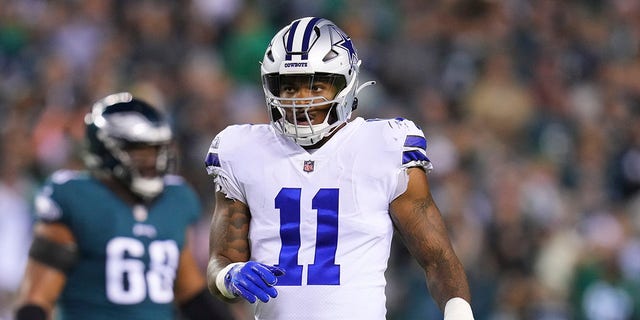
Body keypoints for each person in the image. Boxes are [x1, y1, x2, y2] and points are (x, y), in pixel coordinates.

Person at [204, 17, 474, 320]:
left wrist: (459, 314)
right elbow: (222, 259)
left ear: (345, 83)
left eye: (315, 85)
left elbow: (437, 258)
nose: (301, 101)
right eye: (289, 87)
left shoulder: (384, 145)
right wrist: (229, 277)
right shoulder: (242, 150)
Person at [14, 92, 234, 320]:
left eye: (157, 150)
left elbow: (189, 290)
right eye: (140, 152)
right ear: (106, 150)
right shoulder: (75, 197)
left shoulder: (175, 199)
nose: (153, 161)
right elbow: (37, 299)